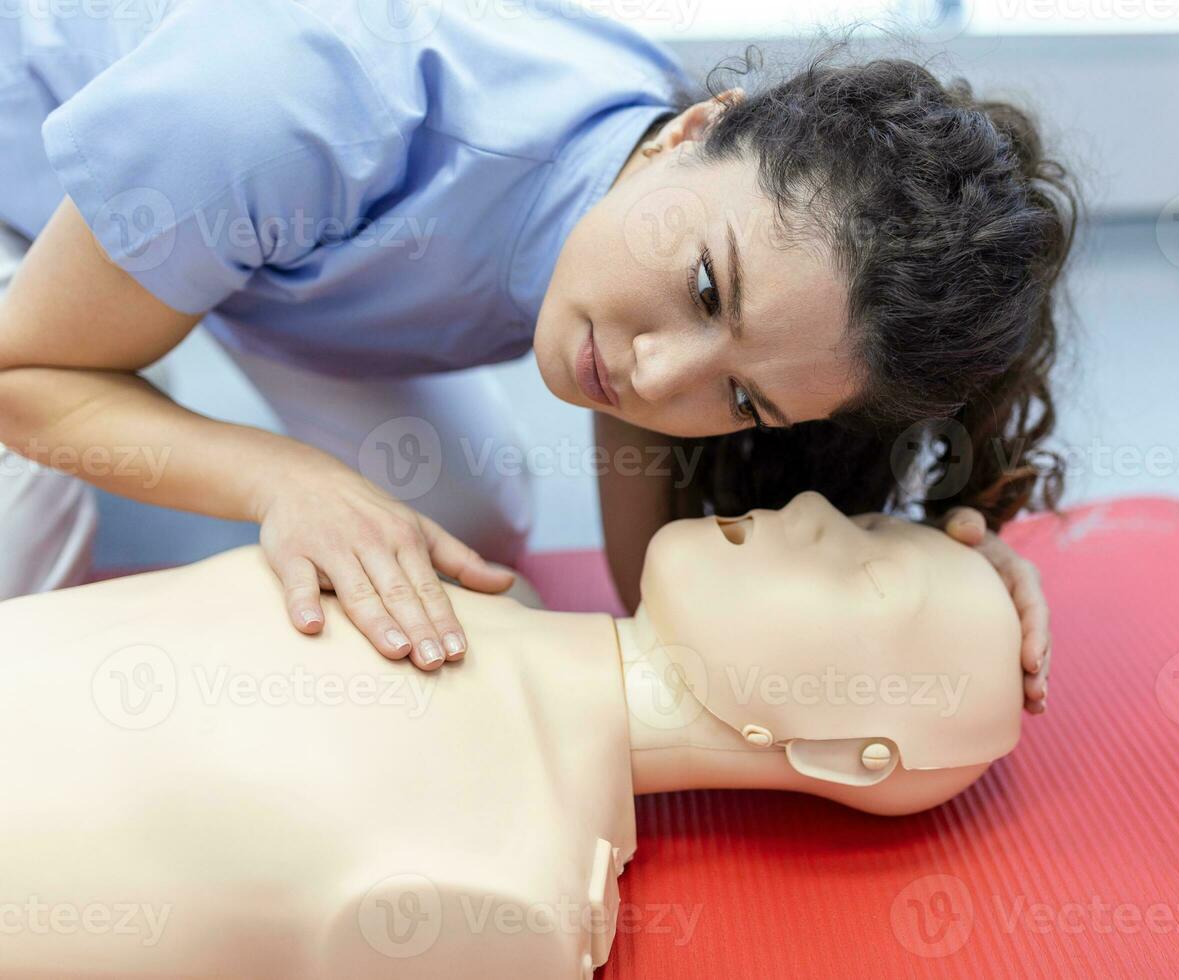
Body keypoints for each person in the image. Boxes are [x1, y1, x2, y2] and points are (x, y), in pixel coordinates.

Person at [0, 1, 1064, 709]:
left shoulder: (665, 188)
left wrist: (928, 580)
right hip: (44, 186)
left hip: (252, 235)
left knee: (461, 531)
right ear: (697, 127)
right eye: (705, 289)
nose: (657, 378)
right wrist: (288, 482)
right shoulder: (294, 103)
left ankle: (156, 301)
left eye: (741, 396)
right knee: (26, 510)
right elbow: (22, 374)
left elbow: (661, 597)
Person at [0, 492, 1023, 976]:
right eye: (871, 522)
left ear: (849, 752)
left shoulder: (499, 891)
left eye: (868, 573)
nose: (811, 508)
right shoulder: (473, 579)